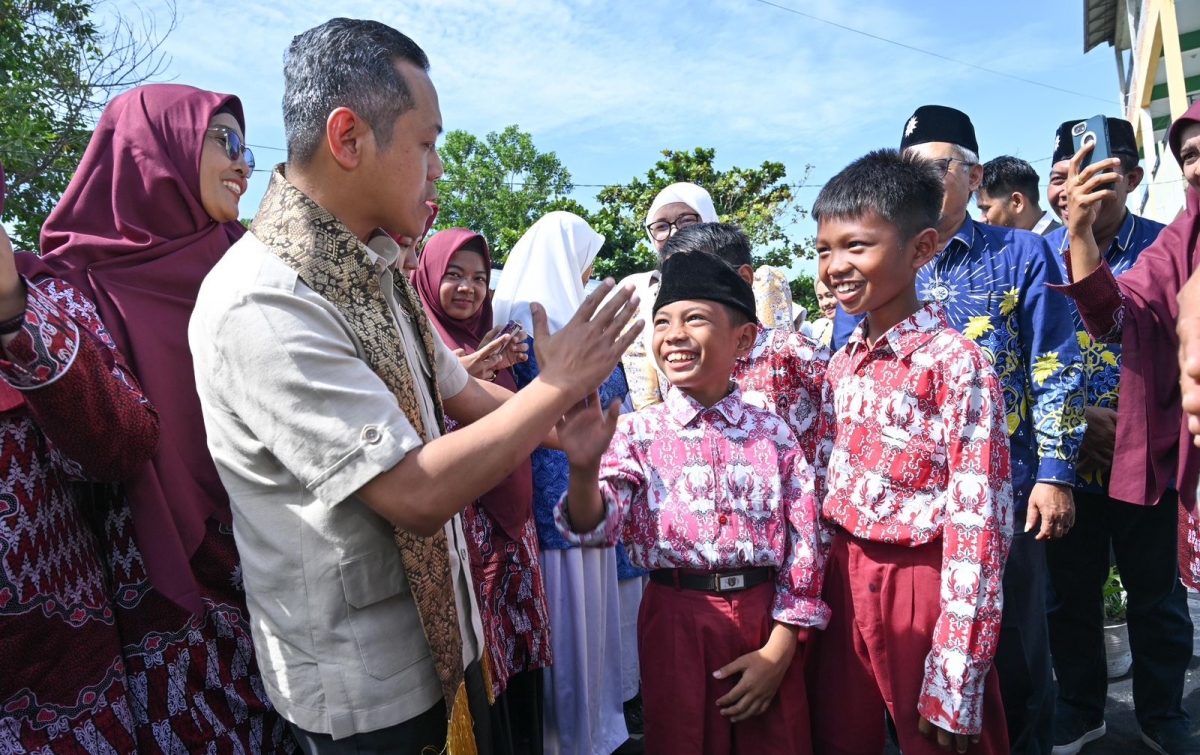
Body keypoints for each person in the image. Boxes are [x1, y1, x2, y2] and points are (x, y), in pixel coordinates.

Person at [189, 19, 640, 755]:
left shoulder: (375, 274)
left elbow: (462, 393)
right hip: (365, 688)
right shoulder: (263, 300)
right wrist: (553, 390)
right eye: (426, 144)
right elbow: (416, 492)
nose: (438, 170)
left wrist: (561, 429)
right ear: (348, 138)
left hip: (448, 638)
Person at [32, 83, 300, 753]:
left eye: (248, 146)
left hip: (284, 572)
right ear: (155, 151)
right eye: (225, 141)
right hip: (169, 603)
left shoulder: (255, 268)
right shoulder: (69, 285)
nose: (245, 163)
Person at [833, 105, 1084, 755]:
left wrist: (1055, 475)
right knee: (909, 672)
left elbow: (1056, 367)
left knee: (1015, 653)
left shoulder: (1023, 253)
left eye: (938, 165)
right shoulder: (872, 263)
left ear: (974, 177)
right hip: (904, 520)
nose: (922, 175)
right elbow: (844, 380)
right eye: (910, 164)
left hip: (1006, 492)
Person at [555, 249, 828, 755]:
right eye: (662, 322)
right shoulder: (637, 432)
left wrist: (781, 646)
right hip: (675, 620)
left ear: (742, 338)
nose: (673, 335)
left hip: (764, 619)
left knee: (777, 741)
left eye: (694, 319)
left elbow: (806, 542)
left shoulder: (773, 432)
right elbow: (598, 525)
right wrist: (583, 468)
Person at [807, 148, 1013, 755]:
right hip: (845, 581)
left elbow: (981, 523)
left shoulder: (957, 364)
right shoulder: (840, 364)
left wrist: (957, 671)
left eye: (857, 247)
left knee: (941, 738)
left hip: (925, 581)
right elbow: (823, 485)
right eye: (823, 249)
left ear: (921, 249)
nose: (835, 267)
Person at [1049, 108, 1200, 755]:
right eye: (1063, 176)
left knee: (1157, 595)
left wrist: (1145, 424)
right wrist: (1073, 426)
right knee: (1069, 598)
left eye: (1095, 175)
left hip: (1152, 461)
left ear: (1134, 176)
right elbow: (1028, 362)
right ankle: (1083, 709)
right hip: (1067, 468)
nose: (1074, 191)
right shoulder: (1037, 257)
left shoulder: (1168, 245)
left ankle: (1162, 714)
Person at [0, 165, 161, 752]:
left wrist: (13, 316)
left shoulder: (47, 295)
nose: (243, 165)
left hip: (70, 696)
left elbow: (121, 445)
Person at [493, 211, 633, 755]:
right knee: (571, 617)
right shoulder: (534, 330)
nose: (588, 270)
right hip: (558, 492)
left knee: (582, 616)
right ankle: (575, 732)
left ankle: (586, 725)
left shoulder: (541, 325)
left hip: (580, 483)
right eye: (584, 260)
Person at [414, 228, 550, 755]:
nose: (468, 288)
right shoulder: (423, 343)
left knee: (518, 658)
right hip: (464, 523)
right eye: (453, 275)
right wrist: (464, 373)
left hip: (515, 525)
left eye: (478, 278)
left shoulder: (493, 338)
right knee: (482, 655)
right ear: (428, 277)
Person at [659, 223, 830, 470]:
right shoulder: (679, 367)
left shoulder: (796, 354)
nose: (684, 295)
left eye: (698, 282)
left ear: (744, 279)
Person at [620, 183, 795, 411]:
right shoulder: (642, 296)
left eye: (686, 220)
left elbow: (779, 368)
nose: (675, 232)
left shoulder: (760, 285)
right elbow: (645, 398)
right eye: (662, 226)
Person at [976, 156, 1061, 235]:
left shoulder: (1065, 246)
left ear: (1017, 202)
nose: (982, 220)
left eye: (986, 209)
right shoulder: (1012, 248)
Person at [809, 278, 837, 347]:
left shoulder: (858, 328)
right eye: (820, 298)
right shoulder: (822, 330)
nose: (825, 303)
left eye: (830, 295)